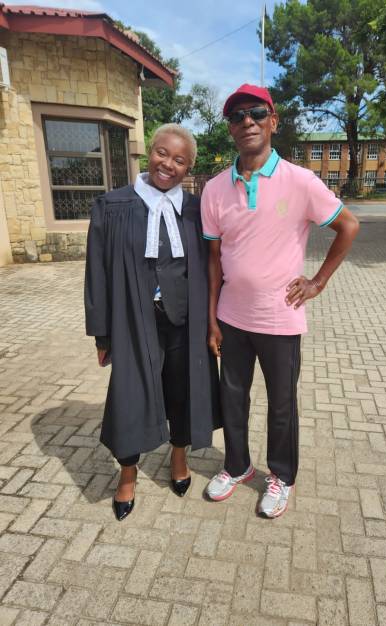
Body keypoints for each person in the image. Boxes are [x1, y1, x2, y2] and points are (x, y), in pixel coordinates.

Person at [202, 84, 359, 518]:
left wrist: (318, 282)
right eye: (237, 116)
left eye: (256, 113)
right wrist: (212, 318)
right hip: (231, 317)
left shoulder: (300, 180)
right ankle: (237, 465)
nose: (247, 122)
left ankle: (282, 476)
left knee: (282, 404)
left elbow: (348, 226)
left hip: (280, 318)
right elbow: (213, 258)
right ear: (230, 129)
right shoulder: (214, 189)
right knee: (232, 398)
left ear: (273, 121)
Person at [85, 123, 220, 521]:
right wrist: (102, 333)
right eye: (162, 153)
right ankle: (127, 475)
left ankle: (178, 456)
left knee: (181, 391)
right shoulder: (113, 206)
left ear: (188, 167)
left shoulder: (196, 210)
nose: (168, 164)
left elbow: (215, 266)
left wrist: (215, 322)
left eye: (179, 160)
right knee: (130, 397)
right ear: (150, 152)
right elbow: (97, 272)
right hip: (132, 321)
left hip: (184, 322)